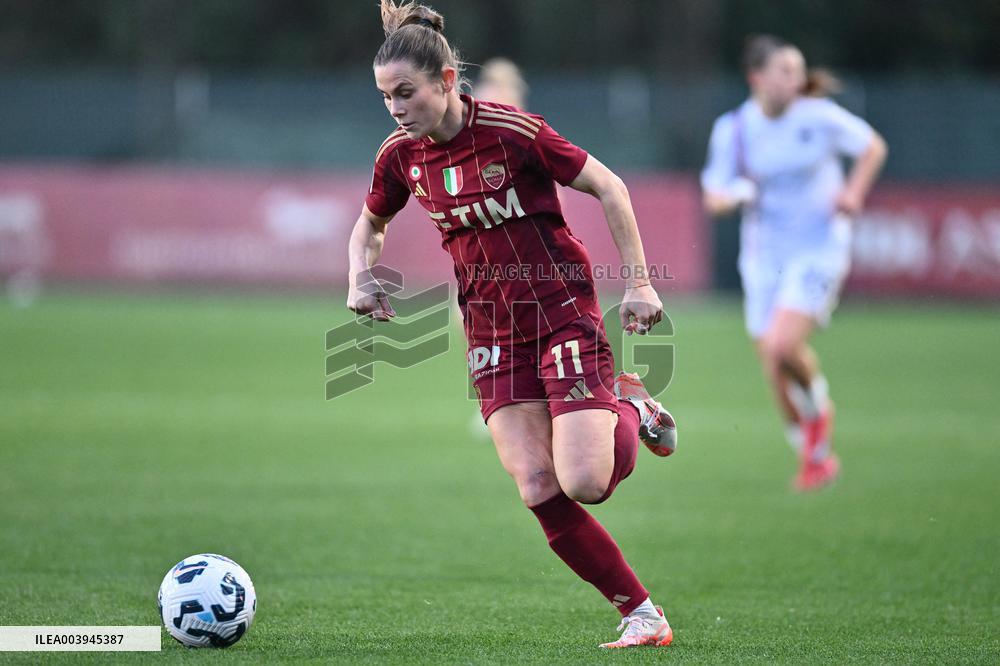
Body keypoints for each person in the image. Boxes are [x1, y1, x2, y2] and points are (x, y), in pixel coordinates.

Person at [348, 0, 677, 649]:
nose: (395, 108)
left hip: (560, 311)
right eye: (386, 96)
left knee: (587, 482)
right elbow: (370, 225)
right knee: (536, 483)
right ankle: (641, 614)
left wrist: (639, 282)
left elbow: (610, 186)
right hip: (489, 331)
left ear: (445, 81)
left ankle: (628, 407)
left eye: (405, 92)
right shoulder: (399, 156)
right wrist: (358, 275)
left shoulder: (512, 131)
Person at [701, 35, 887, 491]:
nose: (796, 79)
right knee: (772, 361)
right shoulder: (735, 129)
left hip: (818, 249)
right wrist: (735, 196)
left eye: (798, 70)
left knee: (782, 346)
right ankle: (813, 454)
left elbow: (872, 147)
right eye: (785, 70)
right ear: (756, 78)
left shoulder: (818, 117)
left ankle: (819, 409)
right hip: (765, 259)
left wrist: (853, 192)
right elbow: (714, 198)